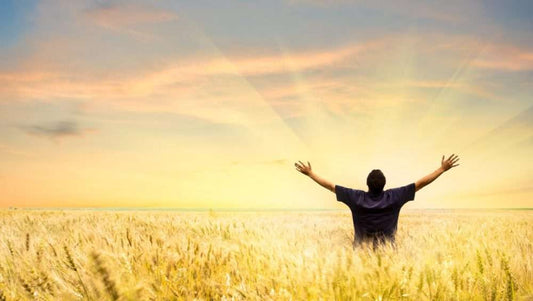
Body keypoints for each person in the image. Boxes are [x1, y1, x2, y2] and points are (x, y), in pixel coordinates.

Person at [294, 154, 460, 248]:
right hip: (388, 252)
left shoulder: (355, 197)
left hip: (360, 254)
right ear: (384, 184)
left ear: (367, 184)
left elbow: (330, 186)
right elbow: (420, 184)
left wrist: (310, 173)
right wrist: (442, 169)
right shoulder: (395, 197)